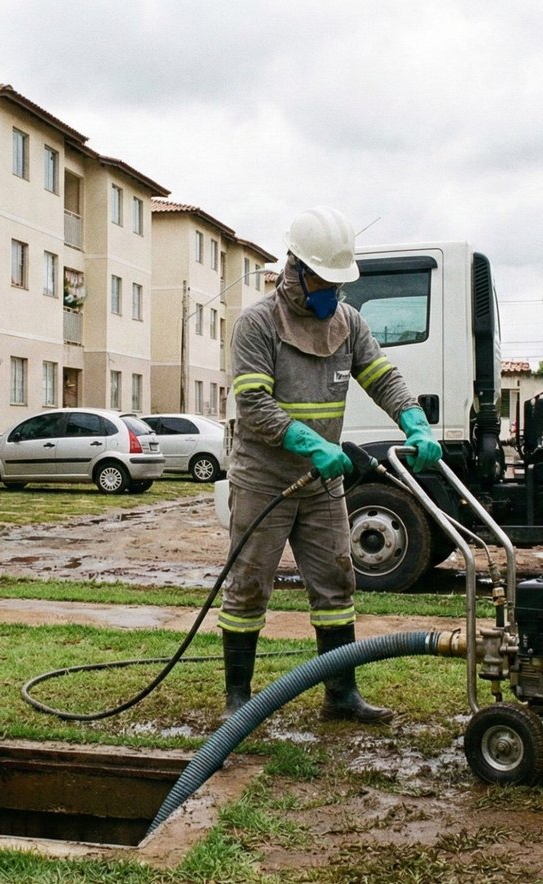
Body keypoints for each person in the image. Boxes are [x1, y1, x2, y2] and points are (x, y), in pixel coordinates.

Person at [221, 205, 442, 724]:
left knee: (337, 582)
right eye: (324, 280)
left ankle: (341, 695)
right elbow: (253, 403)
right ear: (294, 269)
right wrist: (310, 442)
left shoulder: (348, 322)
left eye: (338, 282)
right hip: (264, 479)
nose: (332, 292)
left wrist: (414, 421)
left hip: (322, 483)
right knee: (249, 585)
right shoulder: (257, 323)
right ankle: (238, 698)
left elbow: (383, 377)